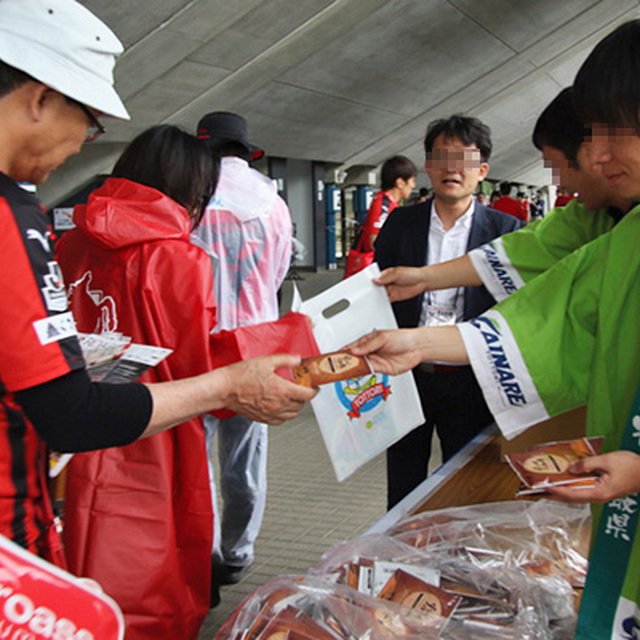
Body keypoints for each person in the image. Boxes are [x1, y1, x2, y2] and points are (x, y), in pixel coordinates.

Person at [0, 0, 314, 573]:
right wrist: (227, 384)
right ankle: (234, 556)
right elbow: (69, 409)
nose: (81, 144)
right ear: (41, 98)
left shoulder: (64, 227)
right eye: (91, 123)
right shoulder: (12, 217)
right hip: (26, 514)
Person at [351, 20, 640, 639]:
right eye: (588, 141)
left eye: (616, 133)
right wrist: (416, 338)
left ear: (482, 168)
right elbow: (546, 318)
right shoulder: (624, 238)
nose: (591, 162)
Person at [55, 125, 225, 638]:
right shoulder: (181, 259)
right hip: (154, 428)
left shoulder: (66, 244)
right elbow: (199, 367)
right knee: (154, 568)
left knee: (68, 563)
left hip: (65, 425)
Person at [374, 115, 521, 509]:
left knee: (466, 486)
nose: (452, 168)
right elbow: (377, 291)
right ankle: (398, 562)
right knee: (403, 481)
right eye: (442, 157)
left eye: (464, 159)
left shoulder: (507, 231)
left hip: (472, 379)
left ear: (483, 171)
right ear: (428, 166)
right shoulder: (401, 223)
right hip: (408, 376)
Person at [374, 86, 629, 306]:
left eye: (555, 166)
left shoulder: (507, 227)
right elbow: (512, 255)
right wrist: (421, 279)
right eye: (442, 159)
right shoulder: (580, 220)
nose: (558, 182)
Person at [192, 111, 293, 587]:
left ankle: (206, 553)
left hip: (200, 344)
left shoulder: (190, 198)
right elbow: (277, 278)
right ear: (245, 151)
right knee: (247, 457)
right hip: (257, 345)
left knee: (197, 456)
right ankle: (239, 550)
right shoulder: (273, 203)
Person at [359, 155, 417, 253]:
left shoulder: (392, 204)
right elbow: (375, 242)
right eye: (412, 181)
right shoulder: (383, 204)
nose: (413, 185)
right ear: (400, 183)